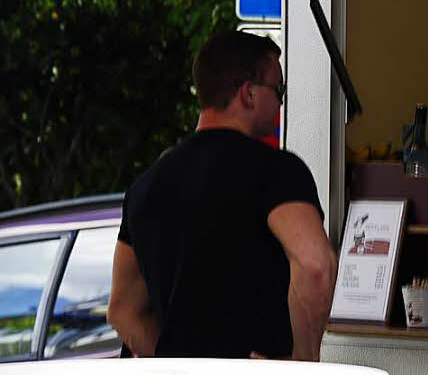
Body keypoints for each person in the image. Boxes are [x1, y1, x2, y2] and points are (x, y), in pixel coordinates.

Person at [108, 31, 337, 360]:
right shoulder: (275, 171)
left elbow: (122, 310)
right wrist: (302, 362)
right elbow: (316, 265)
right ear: (248, 94)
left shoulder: (145, 186)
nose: (281, 102)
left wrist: (172, 362)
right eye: (278, 89)